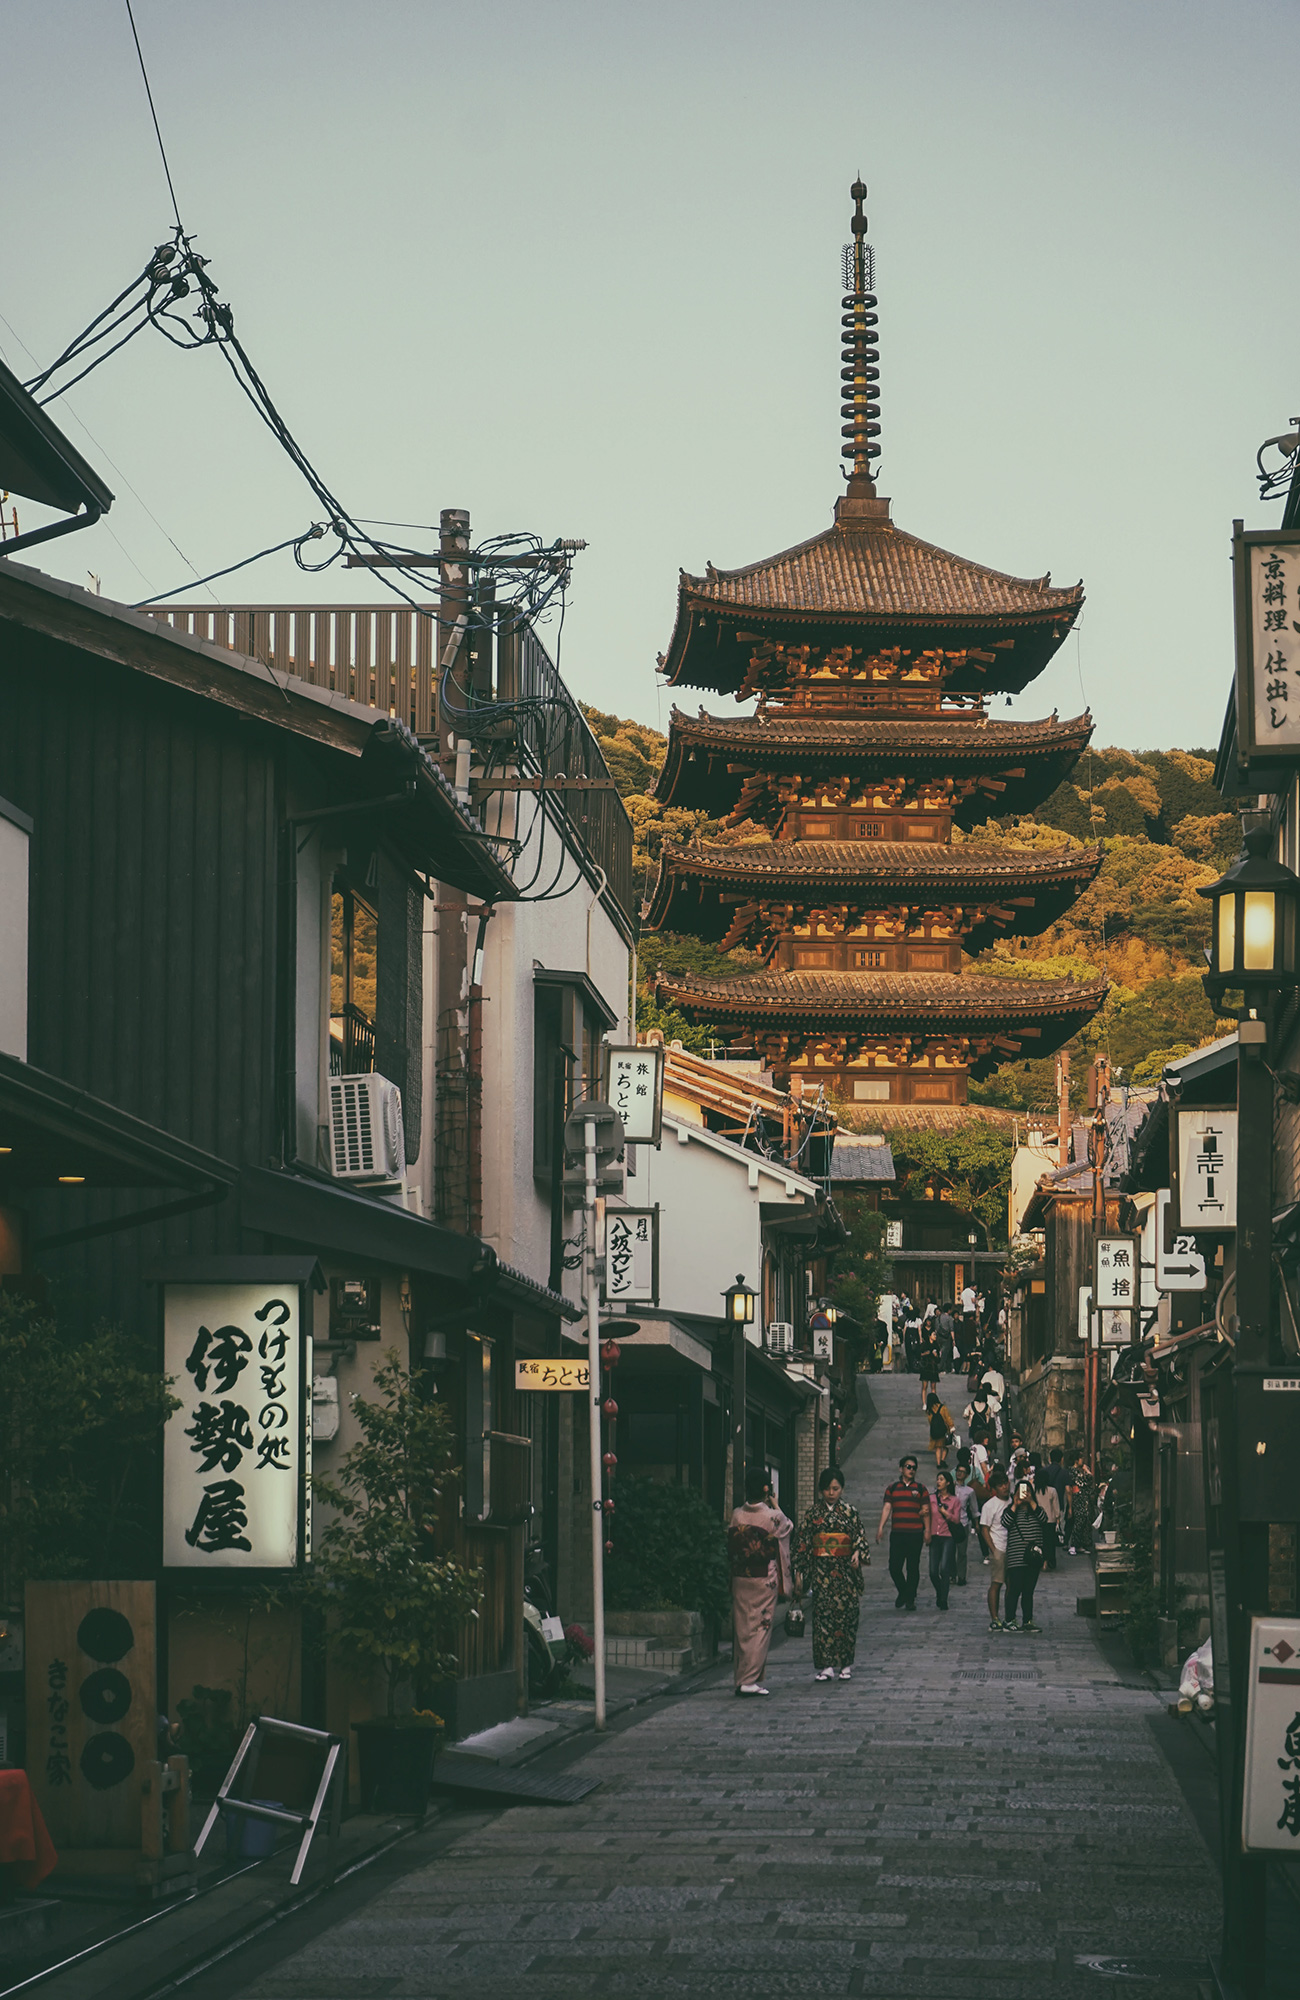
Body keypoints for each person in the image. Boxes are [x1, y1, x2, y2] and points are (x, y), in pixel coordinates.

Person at [793, 1465, 870, 1680]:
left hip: (846, 1573)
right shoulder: (813, 1514)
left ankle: (846, 1664)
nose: (831, 1493)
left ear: (842, 1489)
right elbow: (803, 1542)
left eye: (835, 1489)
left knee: (847, 1619)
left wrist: (857, 1553)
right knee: (823, 1620)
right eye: (827, 1489)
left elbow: (860, 1538)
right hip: (822, 1574)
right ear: (821, 1490)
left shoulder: (849, 1512)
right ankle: (826, 1665)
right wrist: (799, 1571)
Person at [727, 1466, 793, 1695]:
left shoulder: (737, 1514)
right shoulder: (772, 1517)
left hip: (740, 1577)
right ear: (766, 1489)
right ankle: (749, 1680)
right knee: (760, 1628)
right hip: (764, 1578)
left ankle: (742, 1677)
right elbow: (788, 1526)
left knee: (743, 1627)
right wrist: (775, 1504)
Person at [877, 1453, 931, 1610]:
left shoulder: (921, 1489)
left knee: (912, 1567)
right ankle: (904, 1592)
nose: (911, 1470)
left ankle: (910, 1599)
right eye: (908, 1467)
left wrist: (927, 1530)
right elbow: (887, 1508)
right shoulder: (892, 1488)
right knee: (894, 1567)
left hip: (915, 1533)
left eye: (914, 1468)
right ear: (901, 1469)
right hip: (898, 1533)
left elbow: (926, 1510)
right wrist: (880, 1527)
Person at [1003, 1478, 1049, 1632]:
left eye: (1028, 1491)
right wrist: (1015, 1504)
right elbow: (1005, 1522)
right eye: (1021, 1491)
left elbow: (1044, 1519)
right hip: (1016, 1557)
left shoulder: (1036, 1510)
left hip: (1033, 1558)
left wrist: (1031, 1502)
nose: (1024, 1494)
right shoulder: (1011, 1510)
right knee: (1014, 1589)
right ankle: (1010, 1619)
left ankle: (1027, 1620)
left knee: (1028, 1591)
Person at [979, 1469, 1012, 1629]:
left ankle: (1009, 1617)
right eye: (1000, 1485)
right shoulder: (990, 1505)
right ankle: (995, 1617)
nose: (1004, 1487)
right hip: (998, 1546)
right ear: (994, 1489)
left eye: (1005, 1484)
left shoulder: (1014, 1501)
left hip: (1013, 1549)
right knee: (997, 1583)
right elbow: (984, 1529)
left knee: (1011, 1585)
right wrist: (993, 1549)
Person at [927, 1469, 961, 1609]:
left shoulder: (954, 1500)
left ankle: (943, 1599)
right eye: (938, 1479)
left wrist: (946, 1513)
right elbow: (927, 1515)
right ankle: (940, 1591)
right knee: (932, 1571)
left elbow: (957, 1519)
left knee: (944, 1569)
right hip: (934, 1536)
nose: (938, 1482)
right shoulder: (931, 1499)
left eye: (941, 1479)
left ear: (948, 1483)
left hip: (948, 1537)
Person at [951, 1457, 980, 1585]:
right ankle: (951, 1575)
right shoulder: (949, 1487)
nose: (959, 1474)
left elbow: (974, 1509)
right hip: (949, 1523)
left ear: (967, 1475)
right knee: (950, 1551)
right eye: (958, 1471)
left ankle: (961, 1576)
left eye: (962, 1472)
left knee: (962, 1552)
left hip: (962, 1523)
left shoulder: (969, 1491)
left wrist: (977, 1524)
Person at [1067, 1449, 1097, 1555]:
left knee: (1085, 1521)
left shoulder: (1081, 1471)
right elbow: (1083, 1483)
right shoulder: (1073, 1471)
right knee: (1079, 1520)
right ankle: (1073, 1545)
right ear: (1076, 1460)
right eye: (1081, 1458)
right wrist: (1088, 1473)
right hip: (1078, 1498)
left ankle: (1080, 1544)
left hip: (1084, 1498)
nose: (1082, 1460)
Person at [925, 1390, 955, 1470]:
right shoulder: (942, 1408)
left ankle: (938, 1463)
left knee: (938, 1448)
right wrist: (951, 1426)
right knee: (945, 1447)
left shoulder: (929, 1410)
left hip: (935, 1432)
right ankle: (942, 1460)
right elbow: (947, 1418)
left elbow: (930, 1421)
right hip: (943, 1431)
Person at [918, 1323, 941, 1409]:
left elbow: (939, 1359)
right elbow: (920, 1354)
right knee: (924, 1386)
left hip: (933, 1367)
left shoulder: (936, 1346)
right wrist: (926, 1353)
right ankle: (924, 1403)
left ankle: (933, 1403)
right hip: (926, 1367)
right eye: (934, 1334)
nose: (935, 1336)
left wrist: (936, 1356)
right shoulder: (925, 1345)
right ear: (929, 1336)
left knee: (933, 1386)